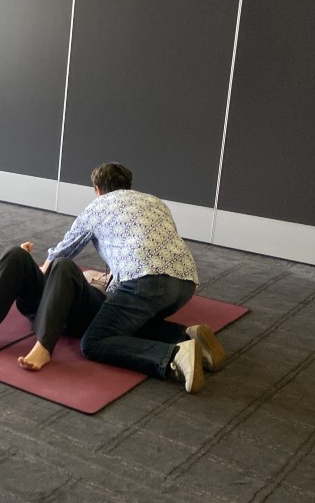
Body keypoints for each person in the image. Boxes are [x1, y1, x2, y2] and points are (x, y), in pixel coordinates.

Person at [43, 162, 226, 393]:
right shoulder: (155, 201)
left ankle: (174, 354)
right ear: (128, 185)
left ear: (97, 189)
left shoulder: (97, 207)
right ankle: (185, 336)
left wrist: (40, 272)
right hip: (186, 283)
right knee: (124, 320)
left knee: (94, 340)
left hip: (147, 283)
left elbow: (62, 252)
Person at [0, 242, 108, 371]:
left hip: (91, 309)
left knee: (64, 266)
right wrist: (27, 265)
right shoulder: (92, 219)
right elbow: (59, 253)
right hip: (54, 296)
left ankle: (43, 349)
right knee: (17, 254)